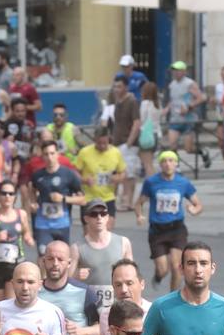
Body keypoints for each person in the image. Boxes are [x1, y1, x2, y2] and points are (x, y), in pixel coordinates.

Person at [136, 150, 203, 291]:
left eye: (171, 160)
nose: (168, 164)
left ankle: (172, 298)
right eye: (164, 161)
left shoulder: (183, 183)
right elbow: (139, 202)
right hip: (157, 230)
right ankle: (158, 276)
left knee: (177, 267)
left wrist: (194, 210)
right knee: (163, 269)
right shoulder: (151, 182)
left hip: (176, 229)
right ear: (160, 164)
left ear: (176, 163)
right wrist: (139, 215)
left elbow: (198, 204)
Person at [28, 137, 85, 254]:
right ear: (42, 156)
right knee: (44, 256)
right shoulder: (37, 175)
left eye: (52, 153)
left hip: (62, 223)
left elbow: (83, 200)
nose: (49, 157)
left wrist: (63, 199)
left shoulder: (69, 174)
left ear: (58, 154)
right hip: (42, 224)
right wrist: (33, 202)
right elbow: (32, 189)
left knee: (61, 258)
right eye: (46, 154)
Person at [70, 201, 133, 307]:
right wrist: (76, 275)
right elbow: (67, 279)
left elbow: (132, 275)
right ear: (86, 219)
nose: (99, 217)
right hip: (90, 305)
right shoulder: (77, 248)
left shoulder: (123, 242)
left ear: (107, 217)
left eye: (103, 214)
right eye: (94, 214)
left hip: (118, 305)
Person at [75, 127, 126, 224]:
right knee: (89, 234)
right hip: (88, 198)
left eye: (105, 143)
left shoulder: (116, 152)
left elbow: (123, 172)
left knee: (106, 233)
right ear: (94, 139)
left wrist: (117, 178)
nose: (102, 146)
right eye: (99, 143)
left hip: (108, 198)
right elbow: (75, 172)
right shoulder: (85, 152)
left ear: (109, 139)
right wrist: (84, 180)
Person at [110, 76, 141, 214]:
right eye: (115, 86)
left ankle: (128, 202)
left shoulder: (132, 101)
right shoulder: (117, 101)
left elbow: (137, 122)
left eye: (119, 87)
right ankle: (124, 200)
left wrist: (129, 141)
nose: (116, 89)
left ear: (126, 87)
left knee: (129, 174)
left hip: (128, 143)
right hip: (117, 142)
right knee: (120, 172)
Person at [163, 61, 205, 158]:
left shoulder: (190, 83)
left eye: (178, 70)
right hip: (175, 119)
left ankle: (202, 152)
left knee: (188, 149)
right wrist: (167, 108)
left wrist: (189, 107)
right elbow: (173, 100)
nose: (175, 72)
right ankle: (176, 169)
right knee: (172, 147)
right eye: (174, 70)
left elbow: (201, 98)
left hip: (188, 120)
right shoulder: (172, 84)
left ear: (184, 71)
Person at [138, 81, 162, 178]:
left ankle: (152, 184)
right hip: (155, 134)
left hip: (146, 135)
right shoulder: (157, 104)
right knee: (150, 162)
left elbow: (142, 119)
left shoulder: (145, 103)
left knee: (147, 164)